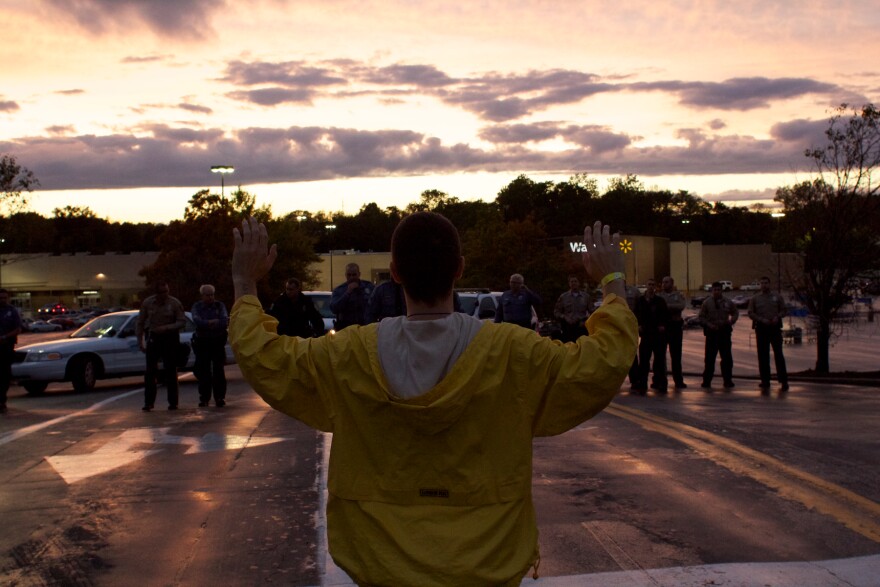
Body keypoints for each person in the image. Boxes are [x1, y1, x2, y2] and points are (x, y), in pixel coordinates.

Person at [229, 214, 637, 586]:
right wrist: (611, 279)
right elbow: (602, 362)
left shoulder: (346, 355)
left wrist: (245, 283)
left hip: (380, 565)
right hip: (487, 567)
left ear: (394, 274)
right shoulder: (513, 352)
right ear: (459, 269)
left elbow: (262, 354)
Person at [136, 280, 186, 411]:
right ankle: (149, 402)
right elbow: (140, 322)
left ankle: (173, 402)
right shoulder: (148, 303)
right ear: (156, 293)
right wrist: (139, 340)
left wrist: (166, 328)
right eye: (161, 292)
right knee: (150, 372)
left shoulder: (174, 303)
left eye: (166, 291)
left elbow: (181, 321)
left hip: (170, 337)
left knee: (170, 370)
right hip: (154, 337)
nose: (164, 294)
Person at [747, 276, 789, 394]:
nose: (764, 285)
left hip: (775, 328)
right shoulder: (755, 298)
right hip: (761, 328)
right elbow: (750, 313)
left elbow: (784, 310)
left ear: (770, 284)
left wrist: (778, 317)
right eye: (762, 283)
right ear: (760, 285)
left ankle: (783, 380)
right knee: (763, 355)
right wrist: (760, 319)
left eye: (766, 283)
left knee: (779, 354)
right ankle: (765, 380)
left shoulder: (777, 297)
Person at [191, 284, 229, 407]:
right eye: (208, 295)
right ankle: (204, 398)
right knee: (204, 371)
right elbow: (197, 321)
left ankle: (220, 397)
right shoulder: (197, 306)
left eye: (212, 294)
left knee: (218, 370)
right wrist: (210, 323)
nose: (210, 297)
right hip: (203, 341)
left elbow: (224, 321)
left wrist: (208, 324)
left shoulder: (219, 305)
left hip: (217, 341)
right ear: (202, 296)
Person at [698, 281, 739, 390]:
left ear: (721, 290)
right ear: (712, 291)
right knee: (709, 359)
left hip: (724, 332)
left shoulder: (728, 302)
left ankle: (727, 380)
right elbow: (701, 317)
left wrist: (732, 320)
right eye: (715, 290)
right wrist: (709, 325)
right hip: (712, 333)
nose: (717, 292)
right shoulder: (706, 303)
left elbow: (735, 312)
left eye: (719, 290)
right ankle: (706, 381)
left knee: (726, 358)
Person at [633, 278, 669, 393]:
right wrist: (638, 325)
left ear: (655, 287)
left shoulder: (660, 301)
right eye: (649, 284)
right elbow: (635, 314)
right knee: (644, 361)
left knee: (659, 361)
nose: (651, 287)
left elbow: (665, 315)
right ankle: (642, 383)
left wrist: (662, 325)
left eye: (653, 285)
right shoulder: (640, 301)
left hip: (658, 335)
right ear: (646, 286)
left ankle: (660, 383)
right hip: (646, 334)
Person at [658, 275, 688, 389]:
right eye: (663, 282)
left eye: (666, 282)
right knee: (661, 356)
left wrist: (666, 307)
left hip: (675, 327)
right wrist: (670, 308)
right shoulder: (659, 296)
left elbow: (681, 306)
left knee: (676, 356)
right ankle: (661, 381)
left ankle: (678, 381)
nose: (664, 284)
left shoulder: (678, 295)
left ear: (671, 283)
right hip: (664, 327)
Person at [329, 263, 374, 331]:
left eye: (354, 275)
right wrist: (347, 293)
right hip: (346, 329)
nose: (351, 277)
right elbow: (334, 308)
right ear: (345, 275)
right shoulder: (339, 290)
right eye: (349, 275)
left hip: (365, 328)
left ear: (359, 274)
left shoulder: (369, 287)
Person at [0, 289, 22, 414]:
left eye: (4, 298)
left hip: (6, 347)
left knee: (4, 375)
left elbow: (18, 328)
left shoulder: (11, 311)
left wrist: (4, 337)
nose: (2, 300)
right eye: (0, 298)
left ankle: (2, 401)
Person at [554, 276, 590, 342]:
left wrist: (586, 321)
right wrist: (564, 317)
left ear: (579, 283)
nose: (574, 283)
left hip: (582, 327)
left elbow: (592, 312)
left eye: (575, 281)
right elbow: (556, 312)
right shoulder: (563, 297)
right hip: (568, 327)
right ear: (569, 284)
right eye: (572, 282)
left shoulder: (586, 297)